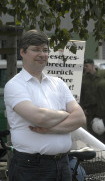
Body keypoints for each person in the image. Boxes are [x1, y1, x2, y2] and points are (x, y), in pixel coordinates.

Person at [4, 30, 86, 181]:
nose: (42, 54)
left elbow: (80, 118)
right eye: (36, 50)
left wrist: (51, 129)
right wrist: (65, 114)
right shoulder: (15, 85)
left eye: (45, 50)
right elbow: (39, 118)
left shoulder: (58, 83)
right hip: (31, 167)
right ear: (22, 52)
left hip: (63, 164)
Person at [80, 58, 105, 133]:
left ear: (92, 65)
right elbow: (82, 95)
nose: (85, 68)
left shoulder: (102, 75)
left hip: (101, 108)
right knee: (91, 130)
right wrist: (83, 108)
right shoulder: (84, 78)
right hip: (90, 109)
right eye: (84, 66)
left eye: (87, 66)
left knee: (102, 130)